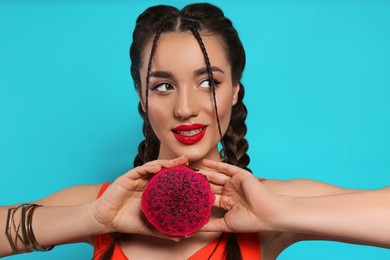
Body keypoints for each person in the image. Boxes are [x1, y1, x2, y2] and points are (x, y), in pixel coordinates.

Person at [1, 3, 389, 260]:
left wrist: (280, 212)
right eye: (163, 86)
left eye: (208, 82)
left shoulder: (270, 205)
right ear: (141, 94)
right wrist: (93, 219)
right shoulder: (100, 205)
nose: (185, 108)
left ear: (235, 90)